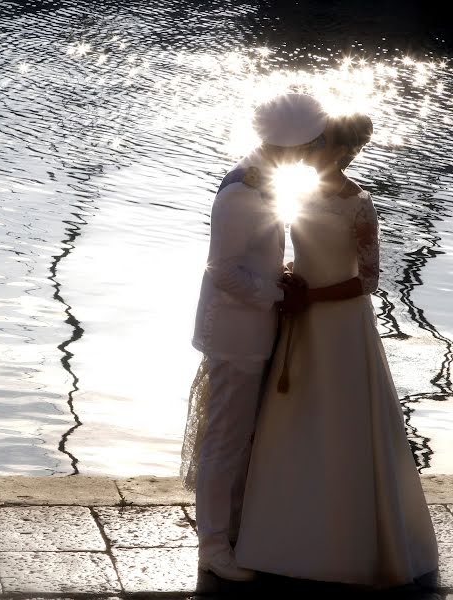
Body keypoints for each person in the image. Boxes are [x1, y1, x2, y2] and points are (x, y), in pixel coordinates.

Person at [234, 113, 439, 587]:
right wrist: (288, 275)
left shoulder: (359, 204)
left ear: (339, 151)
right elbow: (302, 254)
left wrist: (311, 297)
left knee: (343, 423)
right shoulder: (297, 193)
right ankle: (283, 534)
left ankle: (348, 543)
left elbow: (368, 279)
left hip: (342, 327)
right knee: (296, 419)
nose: (307, 149)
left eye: (317, 143)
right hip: (301, 321)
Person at [180, 93, 328, 581]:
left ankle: (237, 530)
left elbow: (251, 257)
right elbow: (221, 271)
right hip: (235, 333)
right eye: (307, 148)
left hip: (255, 327)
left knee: (242, 436)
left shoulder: (262, 183)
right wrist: (275, 294)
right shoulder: (240, 193)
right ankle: (213, 545)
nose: (309, 157)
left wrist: (279, 275)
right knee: (224, 439)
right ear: (290, 148)